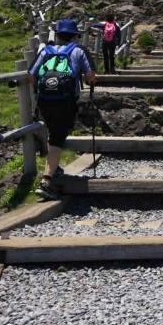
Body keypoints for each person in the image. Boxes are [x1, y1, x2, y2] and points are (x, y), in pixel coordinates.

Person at [29, 18, 96, 200]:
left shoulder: (45, 51)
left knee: (53, 133)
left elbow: (31, 75)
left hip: (45, 100)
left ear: (58, 35)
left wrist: (38, 94)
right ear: (75, 35)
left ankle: (54, 167)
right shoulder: (78, 51)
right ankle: (47, 180)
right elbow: (91, 76)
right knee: (59, 137)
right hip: (65, 101)